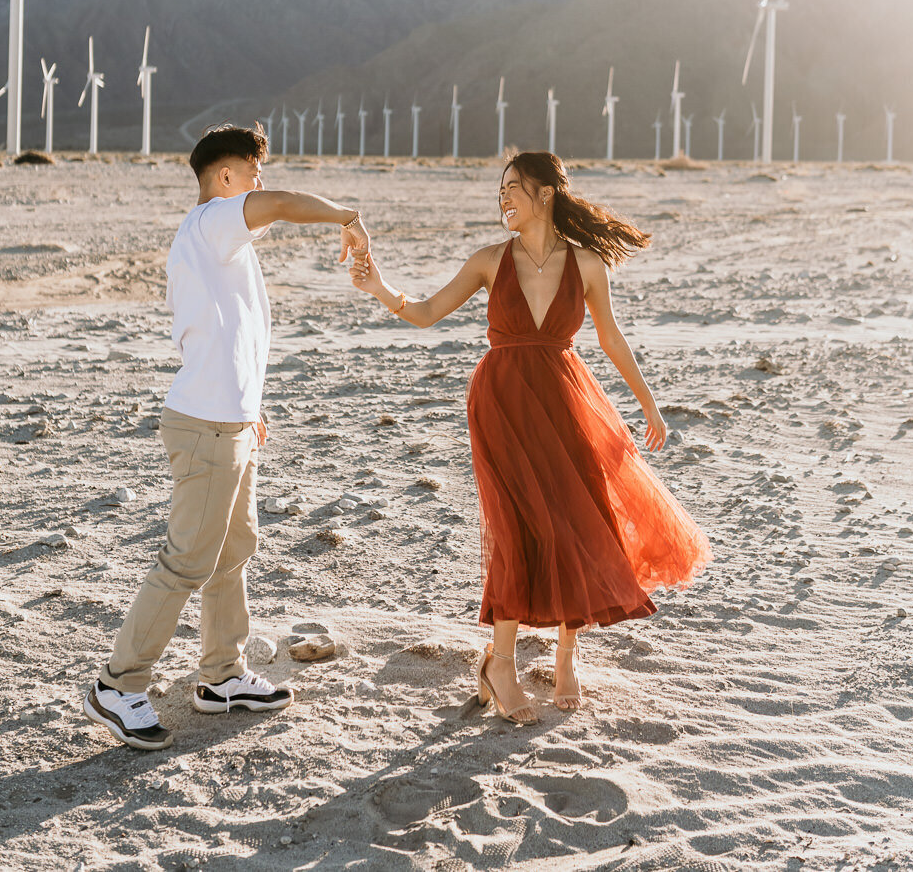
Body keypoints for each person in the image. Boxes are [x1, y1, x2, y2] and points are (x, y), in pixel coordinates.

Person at [350, 151, 710, 722]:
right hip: (503, 402)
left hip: (567, 398)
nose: (503, 198)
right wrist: (379, 288)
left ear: (545, 194)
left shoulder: (588, 264)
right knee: (516, 528)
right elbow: (425, 312)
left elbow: (612, 340)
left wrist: (649, 404)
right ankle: (502, 664)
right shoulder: (489, 261)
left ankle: (568, 658)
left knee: (574, 519)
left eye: (513, 187)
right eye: (499, 190)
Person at [84, 122, 369, 750]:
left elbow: (237, 340)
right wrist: (347, 215)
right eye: (252, 170)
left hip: (233, 421)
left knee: (234, 547)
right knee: (187, 559)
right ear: (224, 178)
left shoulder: (223, 246)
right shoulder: (213, 221)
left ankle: (220, 677)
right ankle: (118, 683)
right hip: (205, 424)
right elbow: (283, 205)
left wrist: (252, 409)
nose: (260, 183)